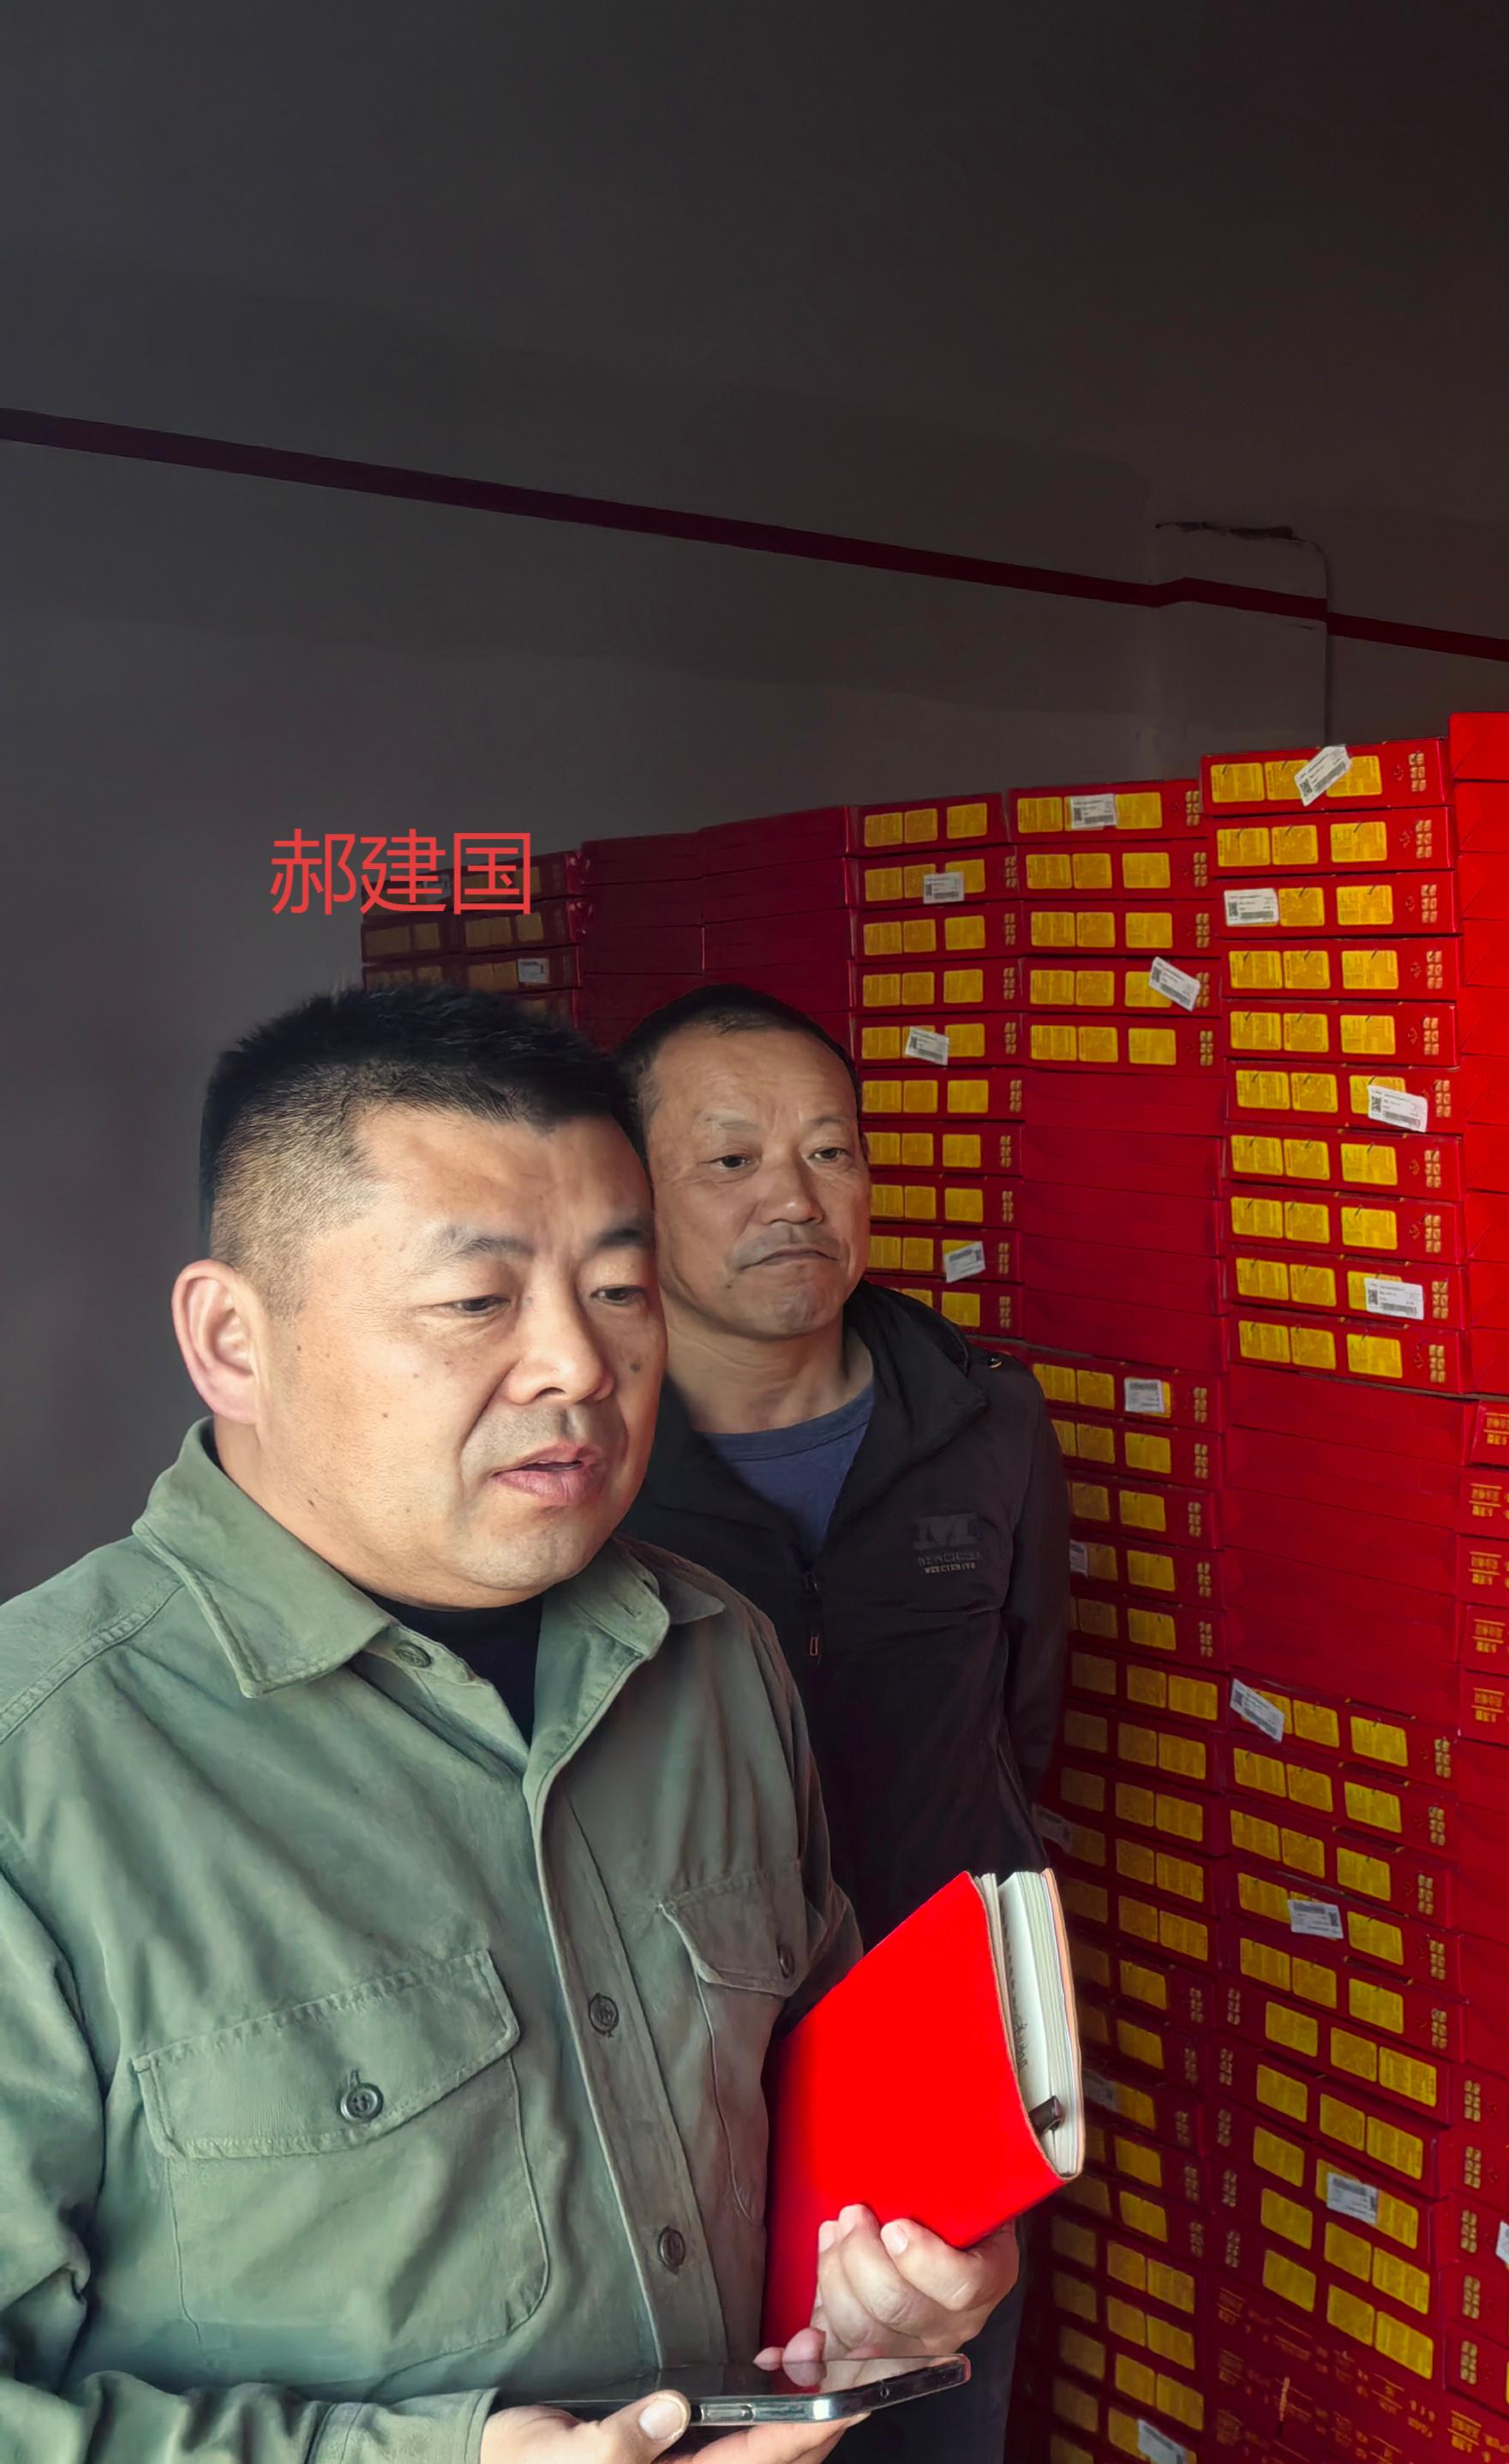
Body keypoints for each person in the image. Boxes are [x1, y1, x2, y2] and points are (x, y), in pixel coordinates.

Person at [0, 982, 1019, 2464]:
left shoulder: (714, 1657)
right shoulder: (40, 1772)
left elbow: (808, 2126)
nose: (579, 1368)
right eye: (477, 1303)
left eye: (619, 1291)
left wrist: (883, 2286)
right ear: (231, 1340)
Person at [611, 983, 1069, 2464]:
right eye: (731, 1161)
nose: (794, 1200)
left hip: (939, 2072)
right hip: (677, 2088)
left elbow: (1025, 1713)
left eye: (830, 1153)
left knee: (936, 2419)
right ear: (634, 1196)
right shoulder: (582, 1459)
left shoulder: (985, 1419)